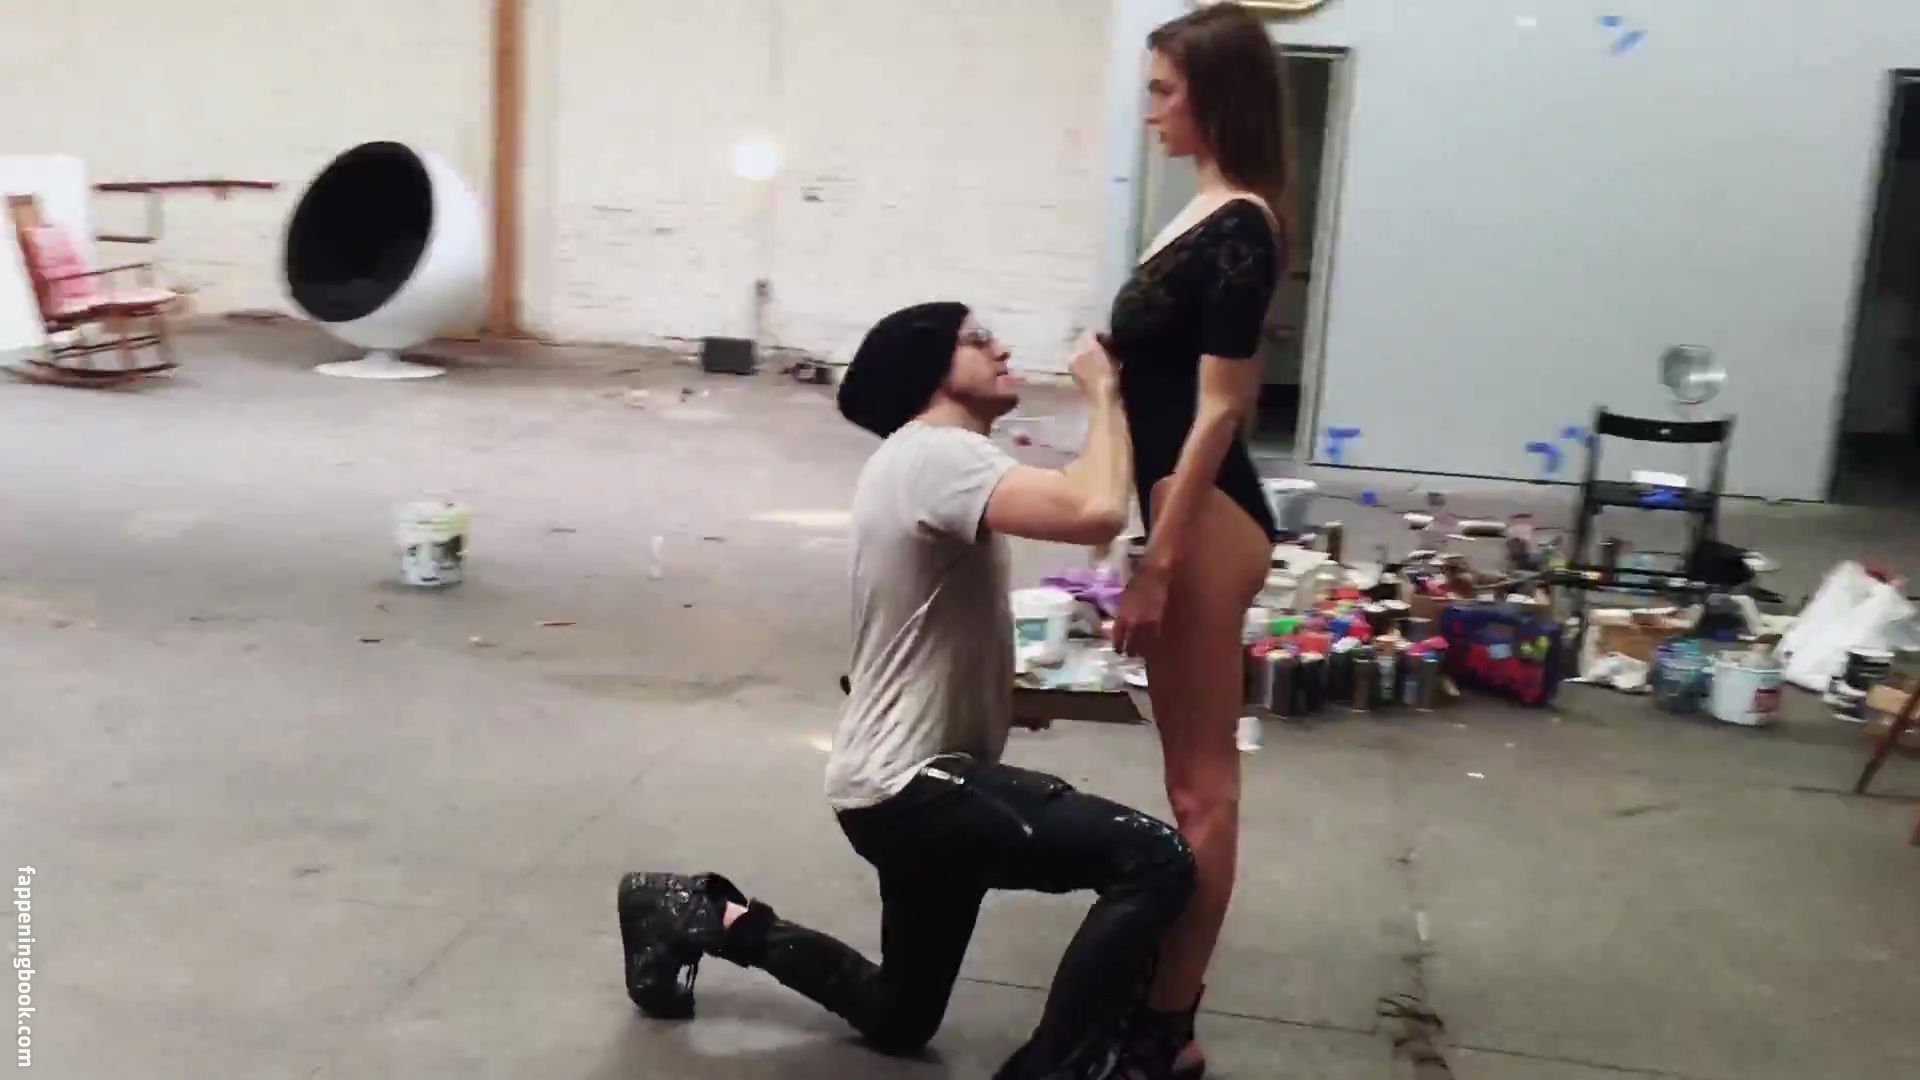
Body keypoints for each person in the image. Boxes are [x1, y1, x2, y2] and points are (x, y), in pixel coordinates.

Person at [616, 302, 1197, 1080]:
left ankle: (702, 913)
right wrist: (1103, 391)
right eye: (976, 338)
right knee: (1153, 860)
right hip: (912, 789)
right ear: (928, 369)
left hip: (893, 785)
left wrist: (1010, 698)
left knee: (901, 1014)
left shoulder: (925, 462)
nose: (1000, 347)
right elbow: (1093, 509)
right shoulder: (936, 455)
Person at [1103, 6, 1291, 1078]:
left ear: (1215, 96)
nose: (1151, 112)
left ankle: (1167, 1030)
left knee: (1202, 791)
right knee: (1189, 785)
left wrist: (1158, 562)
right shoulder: (1206, 213)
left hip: (1206, 517)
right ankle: (1160, 1003)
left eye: (1164, 91)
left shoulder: (1241, 228)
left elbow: (1222, 408)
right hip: (1184, 503)